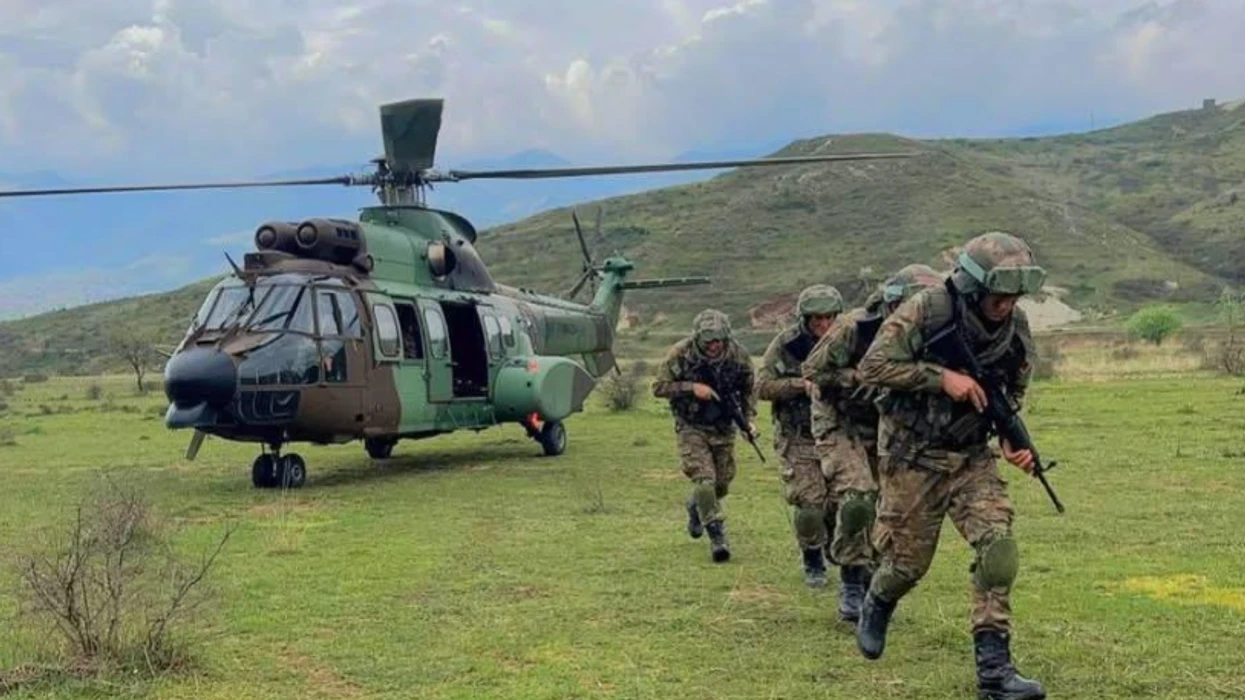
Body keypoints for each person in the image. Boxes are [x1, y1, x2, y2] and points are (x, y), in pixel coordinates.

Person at [854, 232, 1047, 700]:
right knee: (906, 567)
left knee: (998, 550)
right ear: (974, 286)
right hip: (910, 457)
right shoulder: (927, 309)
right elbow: (872, 368)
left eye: (1014, 297)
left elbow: (1009, 392)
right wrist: (942, 379)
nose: (1006, 305)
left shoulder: (1015, 327)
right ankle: (877, 601)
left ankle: (995, 673)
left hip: (970, 458)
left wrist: (1008, 437)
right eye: (999, 296)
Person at [800, 264, 942, 621]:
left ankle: (870, 575)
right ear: (891, 305)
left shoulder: (931, 331)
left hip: (888, 423)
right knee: (858, 494)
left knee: (888, 507)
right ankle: (850, 578)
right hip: (839, 419)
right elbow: (812, 370)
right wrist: (854, 377)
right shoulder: (854, 327)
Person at [755, 285, 844, 588]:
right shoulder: (787, 345)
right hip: (799, 435)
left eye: (829, 317)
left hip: (839, 433)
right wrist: (799, 385)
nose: (823, 324)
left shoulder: (849, 338)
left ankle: (834, 545)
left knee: (839, 502)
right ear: (805, 318)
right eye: (816, 318)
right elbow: (762, 386)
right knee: (809, 502)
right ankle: (812, 558)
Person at [652, 309, 757, 563]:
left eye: (719, 339)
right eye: (708, 340)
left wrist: (748, 422)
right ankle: (717, 537)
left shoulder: (738, 356)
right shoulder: (681, 353)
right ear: (698, 338)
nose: (714, 345)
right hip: (692, 426)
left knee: (722, 484)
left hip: (724, 427)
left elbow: (749, 389)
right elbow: (659, 387)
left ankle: (695, 506)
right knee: (705, 481)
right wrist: (691, 388)